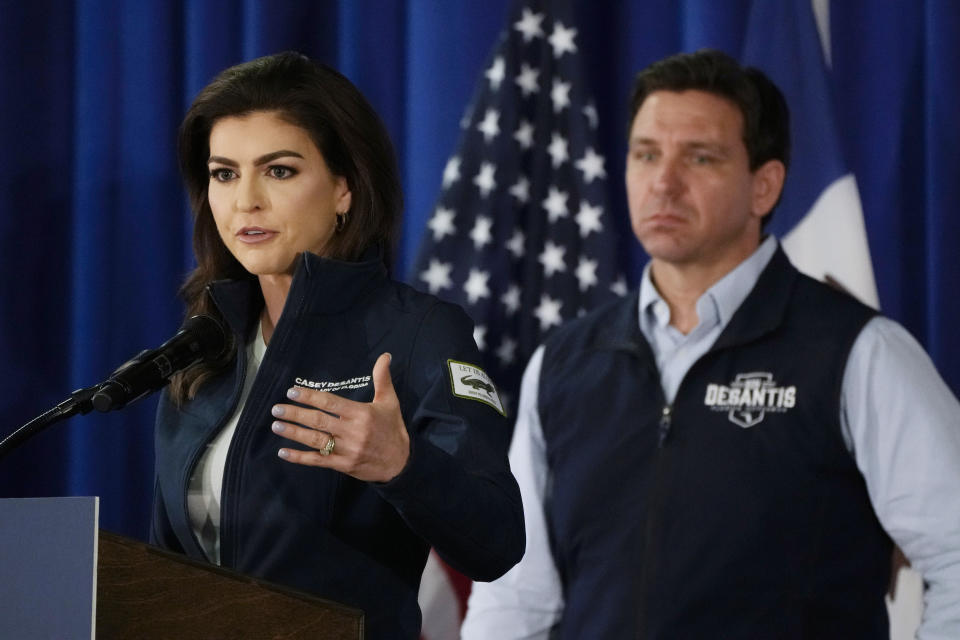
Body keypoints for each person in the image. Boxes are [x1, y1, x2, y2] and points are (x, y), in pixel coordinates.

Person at [462, 49, 960, 639]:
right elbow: (515, 596)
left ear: (764, 187)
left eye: (700, 158)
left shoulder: (859, 353)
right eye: (646, 154)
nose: (664, 183)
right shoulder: (565, 363)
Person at [149, 52, 524, 639]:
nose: (245, 200)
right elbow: (161, 566)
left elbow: (498, 540)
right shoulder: (202, 346)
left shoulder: (418, 331)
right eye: (224, 173)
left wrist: (401, 466)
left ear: (344, 188)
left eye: (279, 171)